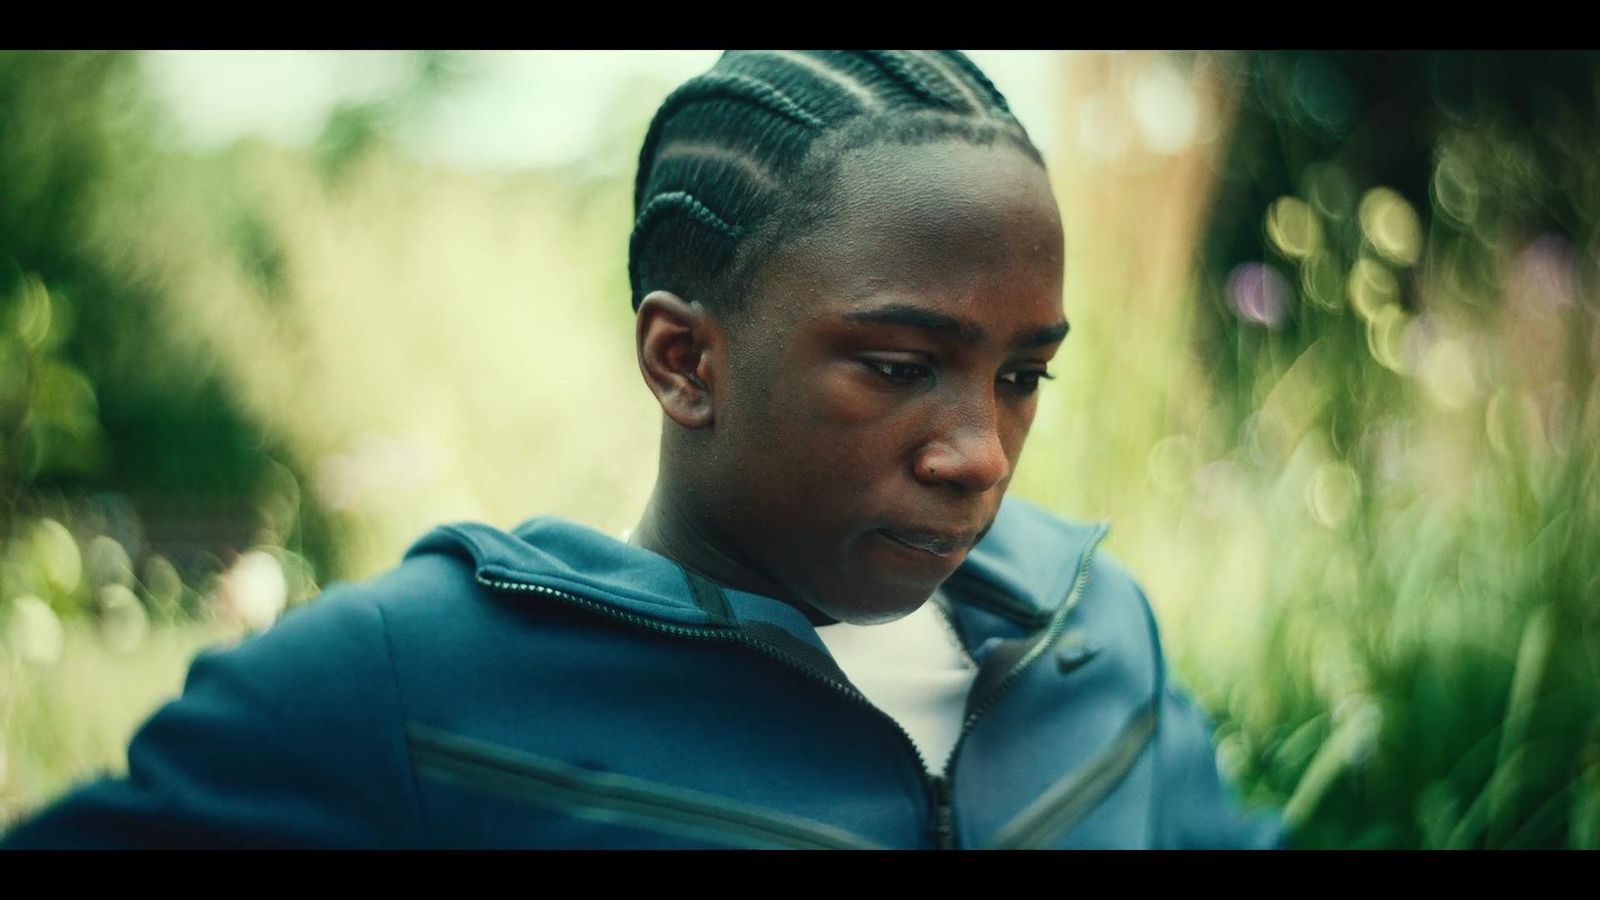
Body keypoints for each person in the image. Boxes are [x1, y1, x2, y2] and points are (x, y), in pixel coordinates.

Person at [2, 50, 1284, 850]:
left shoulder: (1091, 633)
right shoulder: (416, 689)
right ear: (685, 361)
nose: (980, 453)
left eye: (1021, 377)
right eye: (900, 368)